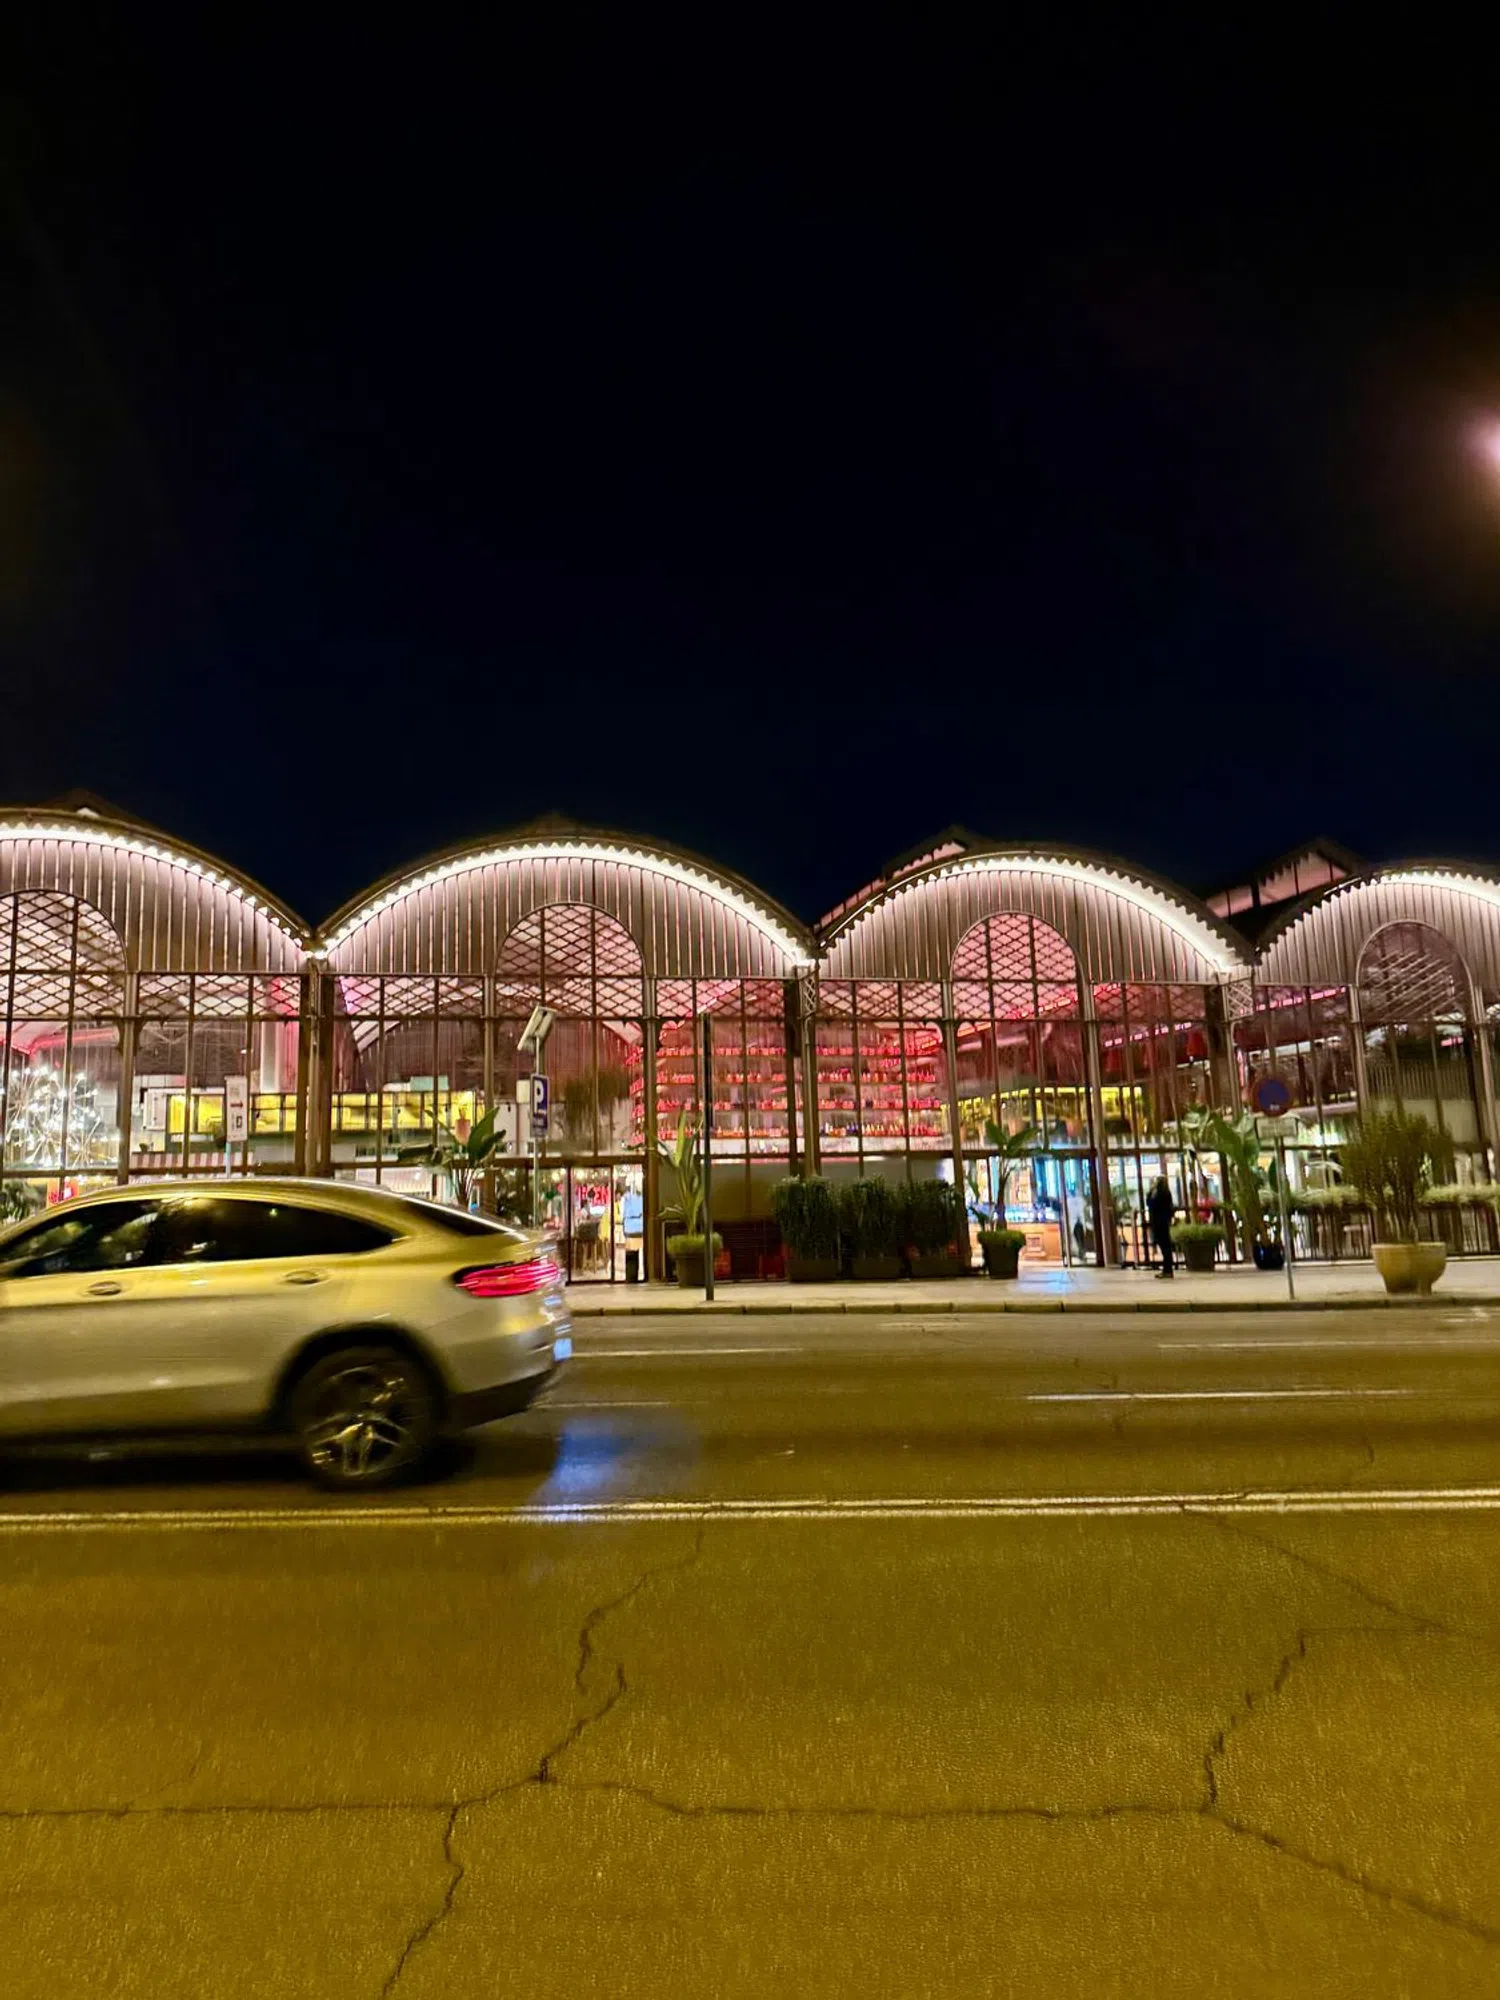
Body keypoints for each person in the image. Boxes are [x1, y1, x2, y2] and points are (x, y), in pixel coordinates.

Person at [1147, 1174, 1176, 1279]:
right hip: (1164, 1223)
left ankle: (1167, 1270)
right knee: (1166, 1247)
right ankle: (1167, 1269)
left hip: (1158, 1223)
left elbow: (1150, 1203)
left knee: (1164, 1247)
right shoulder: (1167, 1193)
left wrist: (1151, 1191)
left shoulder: (1158, 1193)